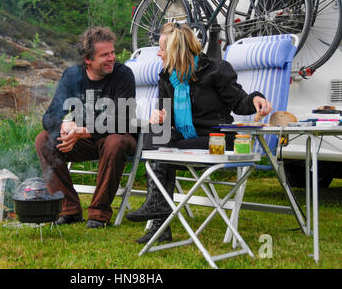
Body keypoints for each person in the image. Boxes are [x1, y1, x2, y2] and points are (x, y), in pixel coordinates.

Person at [125, 22, 272, 243]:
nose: (158, 53)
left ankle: (158, 219)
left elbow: (240, 102)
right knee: (155, 135)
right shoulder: (166, 76)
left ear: (176, 50)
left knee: (174, 148)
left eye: (162, 48)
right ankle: (159, 218)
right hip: (186, 138)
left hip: (217, 139)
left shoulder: (218, 70)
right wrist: (160, 117)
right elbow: (166, 115)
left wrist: (256, 98)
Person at [35, 27, 137, 228]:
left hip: (119, 138)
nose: (112, 58)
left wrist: (82, 130)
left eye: (112, 52)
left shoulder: (123, 75)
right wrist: (65, 124)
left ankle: (99, 213)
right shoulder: (72, 75)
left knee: (114, 141)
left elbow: (123, 120)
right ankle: (69, 208)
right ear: (88, 60)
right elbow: (49, 116)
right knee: (43, 139)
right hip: (84, 141)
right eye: (105, 55)